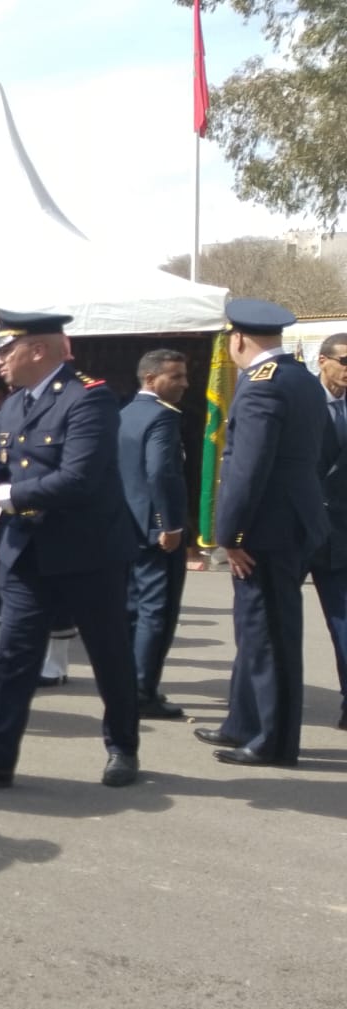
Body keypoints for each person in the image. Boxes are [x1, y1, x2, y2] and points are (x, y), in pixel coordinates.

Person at [0, 310, 140, 788]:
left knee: (110, 655)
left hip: (89, 552)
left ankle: (122, 749)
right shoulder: (13, 405)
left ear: (39, 350)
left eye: (7, 350)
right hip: (28, 551)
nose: (0, 360)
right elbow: (10, 466)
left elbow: (79, 480)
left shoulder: (90, 399)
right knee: (14, 659)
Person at [196, 300, 328, 766]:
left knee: (269, 633)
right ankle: (243, 723)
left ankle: (272, 740)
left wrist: (230, 537)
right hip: (290, 520)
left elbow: (247, 471)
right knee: (255, 630)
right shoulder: (304, 380)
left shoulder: (260, 387)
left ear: (237, 340)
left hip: (265, 530)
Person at [119, 349, 191, 720]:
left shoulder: (124, 414)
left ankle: (127, 684)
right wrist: (169, 525)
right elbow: (160, 472)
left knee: (133, 610)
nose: (184, 384)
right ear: (151, 380)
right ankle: (142, 690)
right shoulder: (161, 418)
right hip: (155, 531)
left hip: (128, 527)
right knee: (155, 613)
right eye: (175, 377)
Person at [312, 331, 347, 733]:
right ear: (323, 360)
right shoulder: (299, 400)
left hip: (341, 535)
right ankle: (265, 715)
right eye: (345, 361)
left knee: (343, 624)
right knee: (271, 627)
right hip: (298, 529)